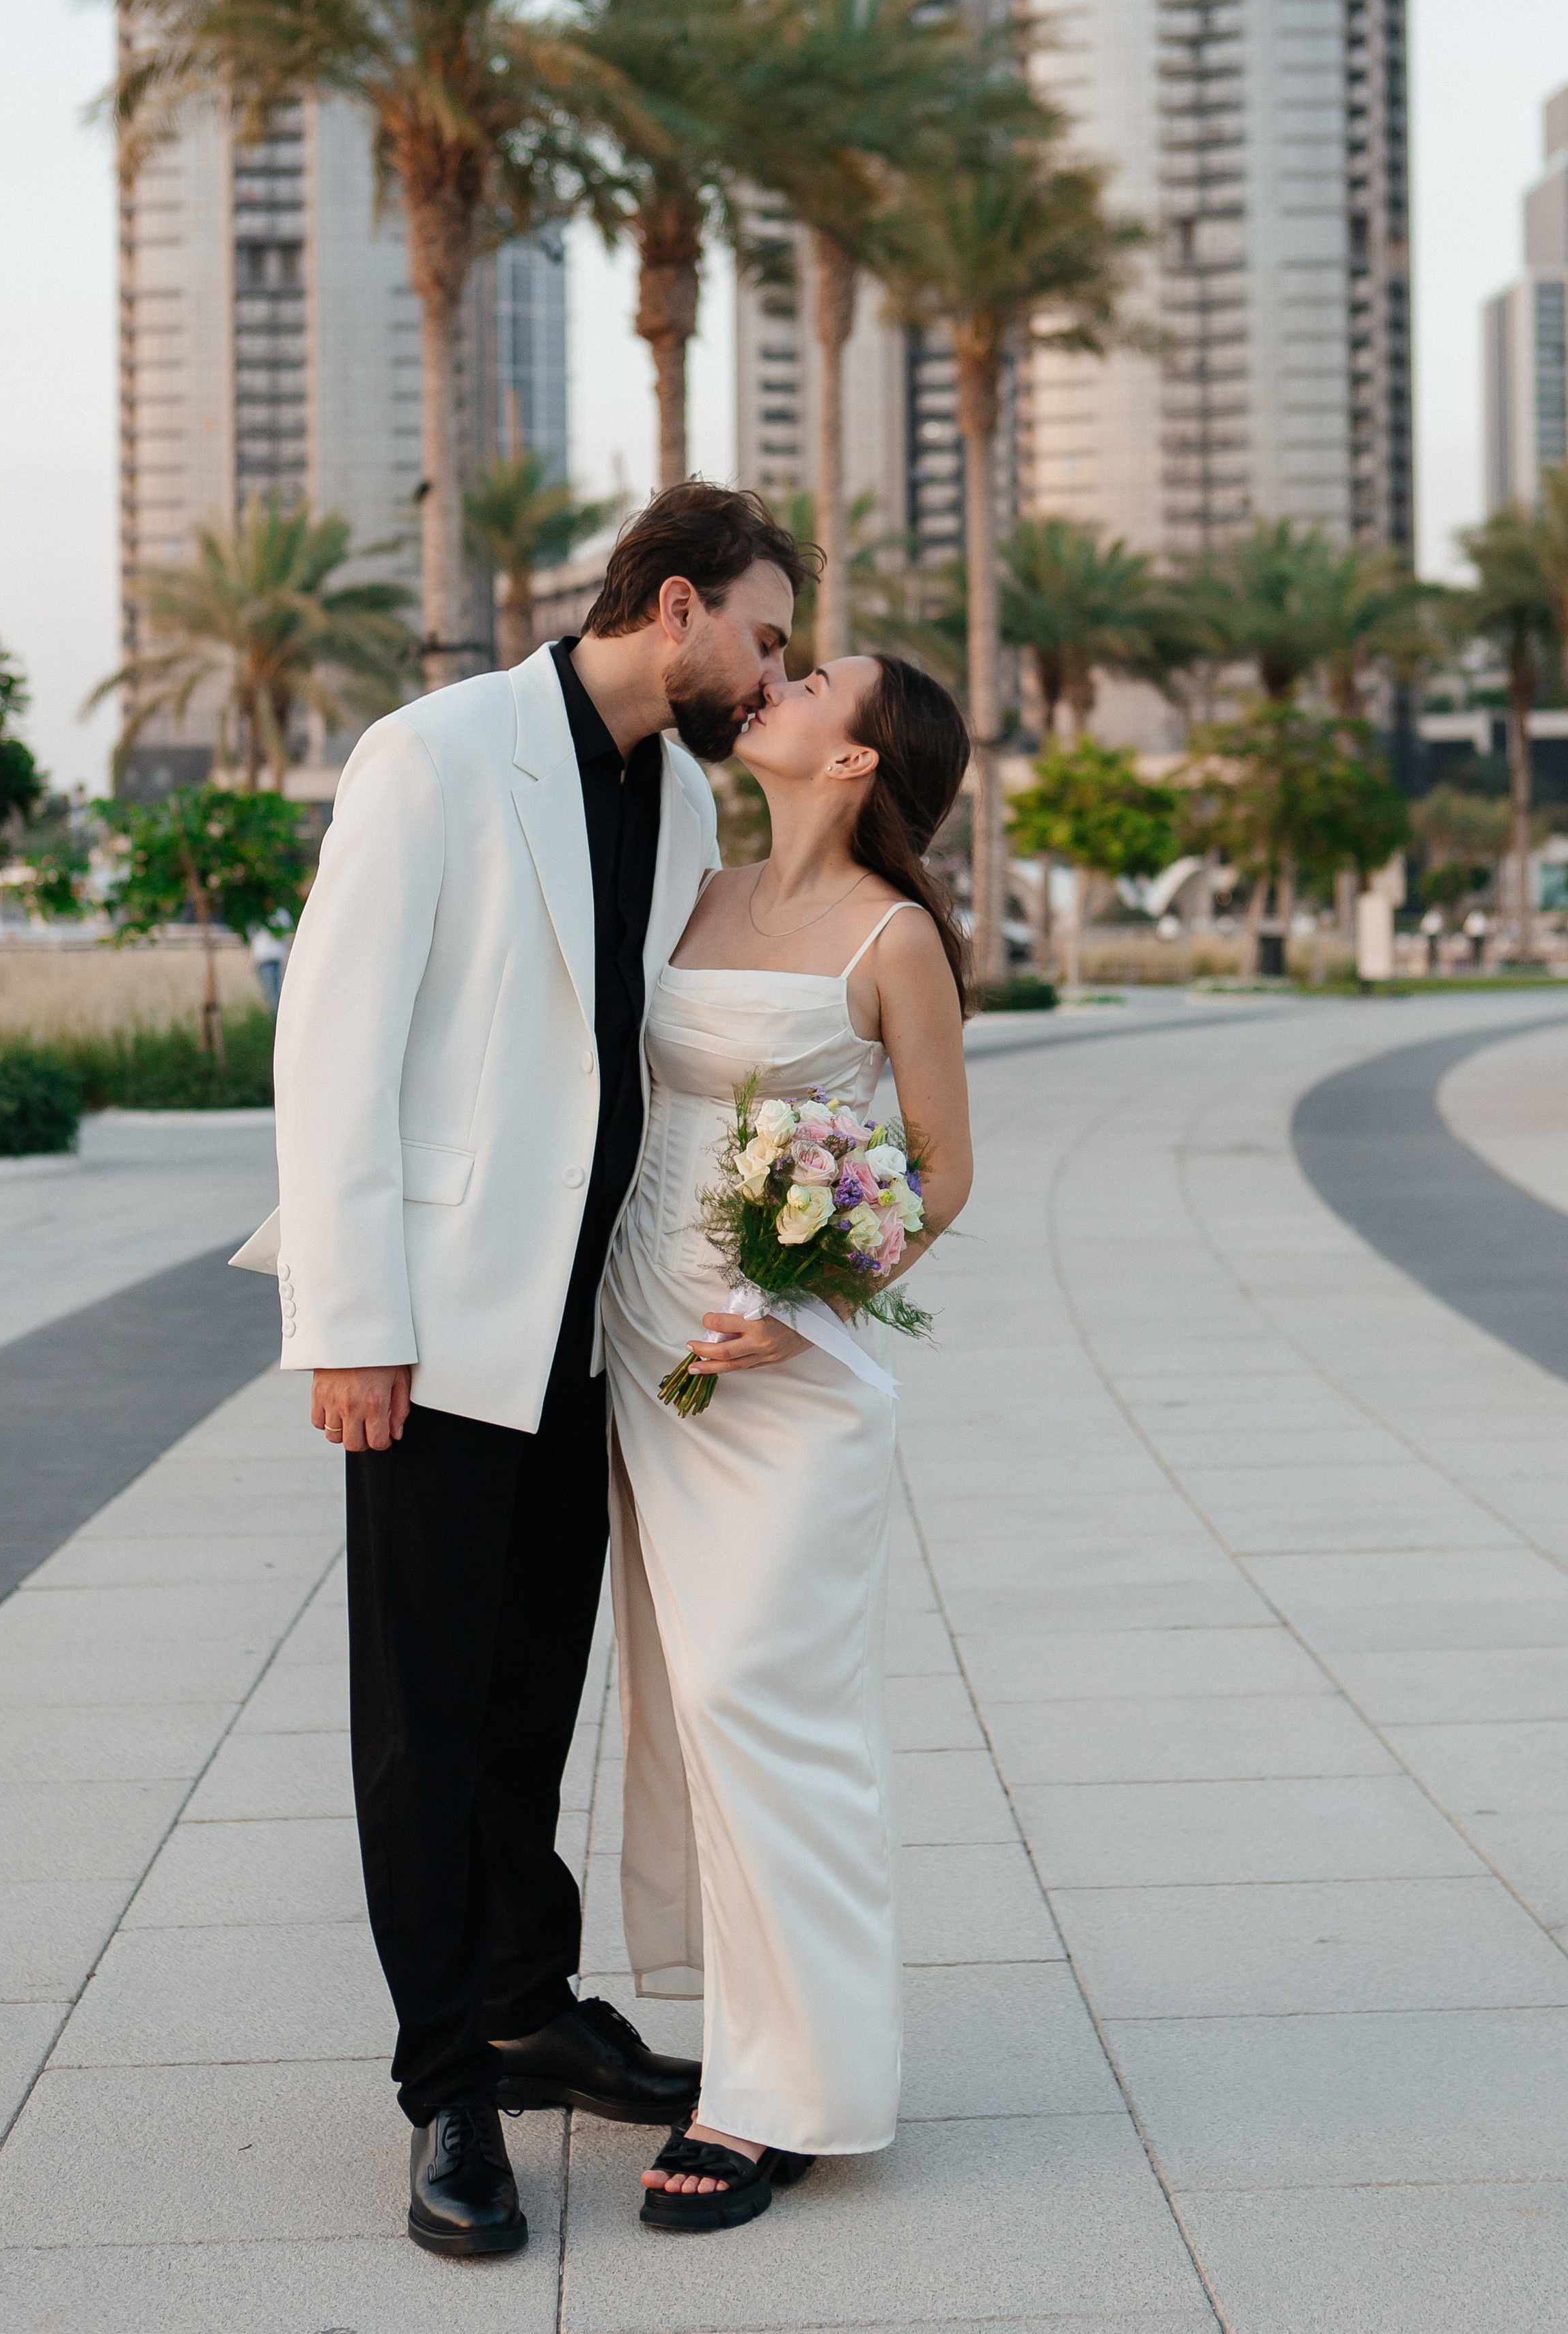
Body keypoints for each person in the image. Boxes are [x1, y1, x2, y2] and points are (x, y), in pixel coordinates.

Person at [232, 484, 808, 2260]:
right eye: (766, 634)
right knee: (425, 1713)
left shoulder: (683, 785)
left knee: (531, 1690)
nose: (773, 668)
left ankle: (526, 1996)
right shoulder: (440, 753)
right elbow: (333, 1039)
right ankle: (444, 2088)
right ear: (678, 604)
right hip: (440, 1316)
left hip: (586, 1332)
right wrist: (350, 1319)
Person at [600, 652, 974, 2232]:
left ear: (854, 762)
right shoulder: (691, 880)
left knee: (770, 1694)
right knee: (688, 1702)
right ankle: (743, 2054)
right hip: (647, 1339)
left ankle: (788, 2094)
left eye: (815, 680)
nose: (775, 679)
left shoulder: (896, 942)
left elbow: (941, 1175)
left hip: (787, 1370)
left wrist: (810, 1287)